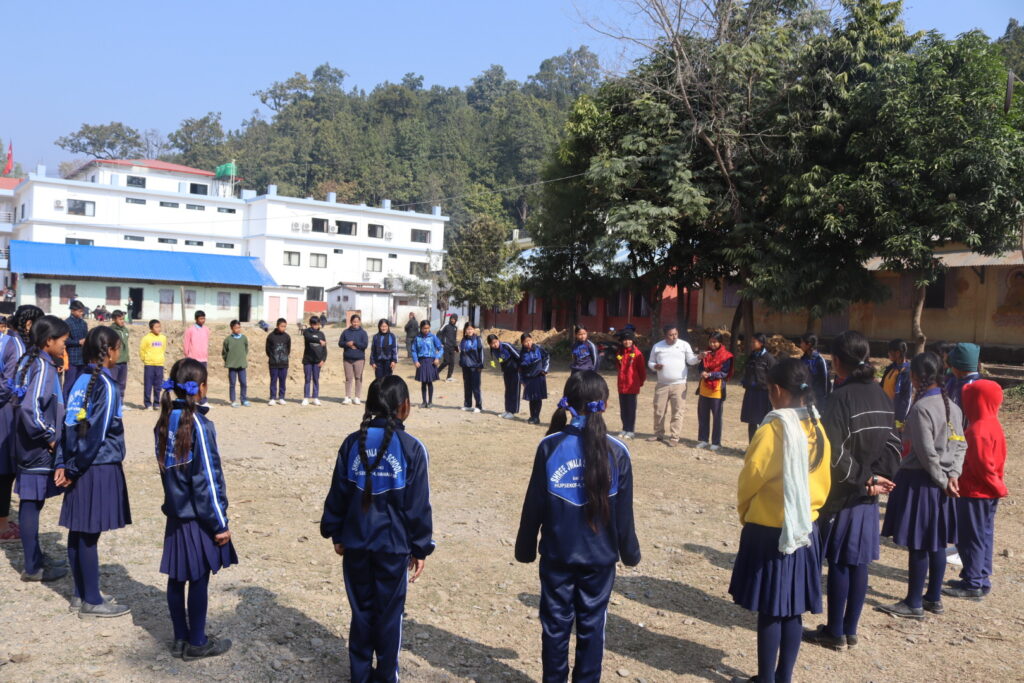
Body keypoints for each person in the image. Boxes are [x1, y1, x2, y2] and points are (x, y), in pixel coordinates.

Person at [515, 371, 640, 682]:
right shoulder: (617, 451)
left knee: (555, 626)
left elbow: (534, 504)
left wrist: (526, 547)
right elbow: (624, 515)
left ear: (567, 402)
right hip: (599, 559)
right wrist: (630, 552)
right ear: (605, 404)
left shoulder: (551, 446)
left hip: (558, 555)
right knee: (592, 626)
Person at [320, 375, 434, 683]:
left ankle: (360, 676)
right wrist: (421, 547)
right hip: (393, 548)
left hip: (356, 544)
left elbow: (338, 494)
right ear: (404, 406)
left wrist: (336, 532)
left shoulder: (352, 443)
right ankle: (385, 677)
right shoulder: (411, 448)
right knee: (389, 616)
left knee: (361, 613)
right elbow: (418, 506)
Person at [729, 358, 831, 683]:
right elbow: (825, 481)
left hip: (770, 530)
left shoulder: (773, 429)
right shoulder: (816, 427)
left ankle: (766, 678)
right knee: (793, 609)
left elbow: (751, 478)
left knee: (771, 610)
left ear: (775, 390)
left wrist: (746, 512)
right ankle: (783, 676)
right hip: (805, 530)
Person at [804, 331, 900, 651]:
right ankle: (850, 629)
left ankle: (835, 632)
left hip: (845, 494)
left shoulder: (840, 398)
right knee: (858, 563)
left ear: (836, 361)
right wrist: (879, 478)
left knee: (841, 562)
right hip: (869, 495)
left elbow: (833, 453)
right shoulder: (881, 395)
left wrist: (864, 480)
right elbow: (893, 443)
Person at [155, 358, 236, 660]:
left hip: (175, 515)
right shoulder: (199, 426)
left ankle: (179, 638)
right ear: (200, 388)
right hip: (197, 517)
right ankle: (198, 642)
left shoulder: (164, 422)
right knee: (199, 577)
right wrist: (220, 523)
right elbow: (208, 481)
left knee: (177, 578)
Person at [879, 352, 966, 619]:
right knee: (936, 542)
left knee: (919, 543)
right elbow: (961, 444)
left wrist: (943, 479)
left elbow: (927, 453)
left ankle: (913, 602)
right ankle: (933, 598)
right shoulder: (952, 406)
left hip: (922, 482)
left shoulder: (921, 408)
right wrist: (953, 475)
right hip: (944, 483)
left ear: (916, 377)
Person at [56, 326, 132, 618]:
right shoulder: (108, 386)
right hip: (96, 466)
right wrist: (74, 468)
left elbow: (67, 426)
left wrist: (65, 463)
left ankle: (80, 593)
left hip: (79, 464)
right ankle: (92, 601)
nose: (118, 352)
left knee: (79, 531)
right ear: (109, 351)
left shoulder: (79, 379)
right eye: (117, 347)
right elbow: (97, 434)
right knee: (88, 534)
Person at [13, 315, 71, 582]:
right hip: (36, 447)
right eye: (62, 341)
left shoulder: (31, 359)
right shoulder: (42, 366)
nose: (64, 347)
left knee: (32, 502)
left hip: (27, 444)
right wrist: (49, 437)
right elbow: (31, 408)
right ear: (49, 341)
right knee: (31, 502)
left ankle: (35, 555)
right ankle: (33, 566)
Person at [944, 379, 1007, 600]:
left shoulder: (977, 430)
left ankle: (973, 583)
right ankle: (980, 577)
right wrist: (997, 486)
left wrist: (996, 486)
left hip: (975, 492)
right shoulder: (992, 424)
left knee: (970, 537)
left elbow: (982, 465)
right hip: (987, 492)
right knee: (983, 535)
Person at [0, 305, 43, 543]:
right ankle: (2, 525)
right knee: (5, 470)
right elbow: (8, 385)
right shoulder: (16, 345)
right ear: (28, 325)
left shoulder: (6, 339)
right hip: (6, 411)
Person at [647, 325, 700, 446]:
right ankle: (658, 434)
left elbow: (690, 360)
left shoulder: (684, 345)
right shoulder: (657, 346)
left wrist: (698, 357)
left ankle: (674, 437)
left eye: (675, 334)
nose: (674, 337)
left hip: (679, 384)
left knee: (677, 411)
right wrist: (655, 366)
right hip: (662, 384)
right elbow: (650, 362)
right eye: (671, 335)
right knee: (659, 410)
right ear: (665, 335)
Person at [696, 332, 734, 451]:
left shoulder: (726, 356)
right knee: (703, 415)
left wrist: (711, 374)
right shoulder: (705, 354)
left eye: (715, 342)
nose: (712, 344)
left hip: (717, 389)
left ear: (720, 342)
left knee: (717, 416)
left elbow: (724, 373)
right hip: (704, 388)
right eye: (710, 342)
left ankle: (716, 442)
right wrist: (702, 372)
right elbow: (700, 367)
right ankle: (703, 439)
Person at [741, 333, 778, 443]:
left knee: (763, 421)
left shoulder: (769, 359)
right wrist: (746, 382)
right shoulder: (752, 356)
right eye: (751, 341)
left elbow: (774, 377)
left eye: (754, 342)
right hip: (751, 393)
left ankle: (763, 446)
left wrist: (764, 386)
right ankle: (752, 446)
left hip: (763, 395)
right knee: (751, 421)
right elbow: (747, 372)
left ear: (761, 343)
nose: (751, 344)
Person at [615, 330, 646, 439]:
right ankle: (624, 428)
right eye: (625, 340)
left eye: (629, 339)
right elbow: (618, 367)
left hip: (632, 385)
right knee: (623, 408)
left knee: (631, 408)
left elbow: (642, 370)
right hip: (622, 386)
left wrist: (639, 382)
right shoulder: (619, 353)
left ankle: (630, 430)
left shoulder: (637, 353)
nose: (627, 342)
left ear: (633, 340)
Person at [518, 333, 550, 425]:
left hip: (539, 377)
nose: (528, 343)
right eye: (525, 342)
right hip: (529, 378)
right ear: (522, 343)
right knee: (532, 398)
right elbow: (520, 369)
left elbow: (547, 357)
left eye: (529, 340)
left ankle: (537, 417)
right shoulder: (521, 354)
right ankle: (532, 416)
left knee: (538, 398)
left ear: (532, 340)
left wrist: (545, 370)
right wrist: (522, 380)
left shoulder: (539, 349)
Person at [410, 320, 442, 408]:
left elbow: (440, 348)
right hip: (421, 362)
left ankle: (430, 402)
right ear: (421, 328)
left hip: (431, 362)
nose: (426, 330)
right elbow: (413, 350)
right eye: (424, 328)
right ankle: (424, 402)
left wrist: (437, 357)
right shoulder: (417, 338)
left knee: (430, 382)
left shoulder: (433, 337)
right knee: (423, 382)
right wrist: (415, 361)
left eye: (428, 328)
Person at [488, 334, 521, 420]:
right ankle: (507, 410)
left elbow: (518, 355)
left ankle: (513, 411)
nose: (495, 345)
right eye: (492, 344)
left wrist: (519, 368)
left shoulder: (506, 346)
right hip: (506, 372)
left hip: (515, 371)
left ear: (498, 340)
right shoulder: (493, 350)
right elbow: (501, 360)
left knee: (514, 391)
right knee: (508, 391)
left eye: (495, 342)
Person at [882, 339, 912, 430]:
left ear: (898, 353)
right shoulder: (891, 368)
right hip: (885, 412)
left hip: (896, 419)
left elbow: (906, 399)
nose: (888, 353)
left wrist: (900, 421)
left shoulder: (907, 372)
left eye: (890, 351)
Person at [339, 314, 369, 405]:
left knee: (358, 377)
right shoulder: (345, 332)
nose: (355, 323)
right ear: (351, 322)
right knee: (348, 378)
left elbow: (365, 345)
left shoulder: (363, 333)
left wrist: (355, 343)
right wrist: (347, 344)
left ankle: (357, 397)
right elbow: (340, 343)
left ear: (359, 322)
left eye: (357, 322)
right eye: (354, 322)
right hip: (347, 359)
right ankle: (347, 397)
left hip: (359, 359)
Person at [184, 311, 211, 406]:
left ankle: (203, 400)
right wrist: (187, 357)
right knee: (193, 380)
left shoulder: (206, 330)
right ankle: (192, 400)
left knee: (203, 381)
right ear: (196, 319)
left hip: (203, 359)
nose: (202, 320)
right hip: (193, 359)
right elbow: (186, 344)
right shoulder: (190, 330)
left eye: (204, 318)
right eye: (201, 318)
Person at [221, 320, 250, 408]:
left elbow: (246, 349)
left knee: (243, 383)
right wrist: (229, 360)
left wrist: (241, 358)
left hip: (242, 364)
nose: (238, 329)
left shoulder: (244, 338)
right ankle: (233, 400)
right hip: (232, 365)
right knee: (232, 383)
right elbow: (224, 352)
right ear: (231, 328)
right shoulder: (228, 340)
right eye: (236, 328)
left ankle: (243, 399)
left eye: (239, 327)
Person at [64, 300, 89, 401]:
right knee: (69, 383)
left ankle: (77, 403)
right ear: (72, 311)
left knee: (80, 383)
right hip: (72, 358)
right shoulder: (67, 323)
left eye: (82, 311)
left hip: (83, 358)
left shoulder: (84, 323)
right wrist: (78, 342)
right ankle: (65, 403)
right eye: (79, 311)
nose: (81, 313)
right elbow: (64, 340)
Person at [140, 320, 168, 411]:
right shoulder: (146, 338)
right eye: (156, 327)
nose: (158, 329)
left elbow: (163, 349)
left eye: (159, 326)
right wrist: (145, 359)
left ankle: (156, 403)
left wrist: (160, 358)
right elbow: (142, 350)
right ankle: (147, 403)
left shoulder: (163, 338)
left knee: (158, 385)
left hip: (159, 365)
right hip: (149, 365)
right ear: (151, 328)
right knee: (148, 385)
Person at [947, 343, 982, 412]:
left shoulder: (969, 388)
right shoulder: (958, 381)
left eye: (952, 366)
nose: (951, 369)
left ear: (957, 368)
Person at [457, 322, 484, 413]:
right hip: (465, 367)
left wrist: (480, 365)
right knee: (467, 386)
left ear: (474, 330)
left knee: (476, 387)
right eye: (468, 329)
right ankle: (468, 405)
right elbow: (461, 352)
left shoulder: (478, 339)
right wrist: (461, 361)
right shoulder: (463, 340)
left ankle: (478, 406)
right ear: (465, 330)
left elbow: (481, 352)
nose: (469, 331)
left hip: (475, 367)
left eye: (471, 329)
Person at [799, 333, 831, 408]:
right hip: (806, 396)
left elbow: (825, 381)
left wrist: (825, 399)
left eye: (802, 342)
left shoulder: (820, 360)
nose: (800, 345)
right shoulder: (803, 359)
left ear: (808, 344)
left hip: (818, 398)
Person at [302, 316, 327, 406]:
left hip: (317, 361)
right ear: (310, 324)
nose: (315, 326)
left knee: (316, 379)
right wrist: (319, 341)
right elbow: (309, 338)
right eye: (314, 324)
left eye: (317, 324)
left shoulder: (321, 334)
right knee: (307, 379)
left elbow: (324, 348)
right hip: (308, 360)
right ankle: (306, 398)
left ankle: (315, 398)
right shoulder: (306, 332)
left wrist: (323, 359)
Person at [266, 318, 291, 406]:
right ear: (277, 326)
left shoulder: (287, 337)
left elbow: (288, 349)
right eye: (282, 326)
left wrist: (284, 357)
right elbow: (267, 350)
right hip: (273, 363)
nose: (283, 328)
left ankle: (281, 398)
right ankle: (272, 398)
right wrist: (273, 357)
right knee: (273, 381)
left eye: (285, 326)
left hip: (284, 363)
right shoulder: (271, 336)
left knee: (282, 381)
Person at [109, 310, 130, 411]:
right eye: (120, 319)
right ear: (114, 319)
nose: (122, 321)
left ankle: (120, 403)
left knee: (122, 383)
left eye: (123, 319)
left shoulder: (125, 330)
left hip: (124, 361)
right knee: (113, 382)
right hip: (115, 361)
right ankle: (112, 403)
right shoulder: (111, 331)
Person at [436, 314, 459, 382]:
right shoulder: (446, 325)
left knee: (452, 363)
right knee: (446, 361)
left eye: (454, 319)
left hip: (452, 347)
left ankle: (449, 377)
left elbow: (454, 338)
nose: (452, 320)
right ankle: (436, 372)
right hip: (446, 347)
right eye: (451, 318)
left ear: (456, 320)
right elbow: (438, 334)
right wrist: (441, 343)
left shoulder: (455, 328)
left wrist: (456, 347)